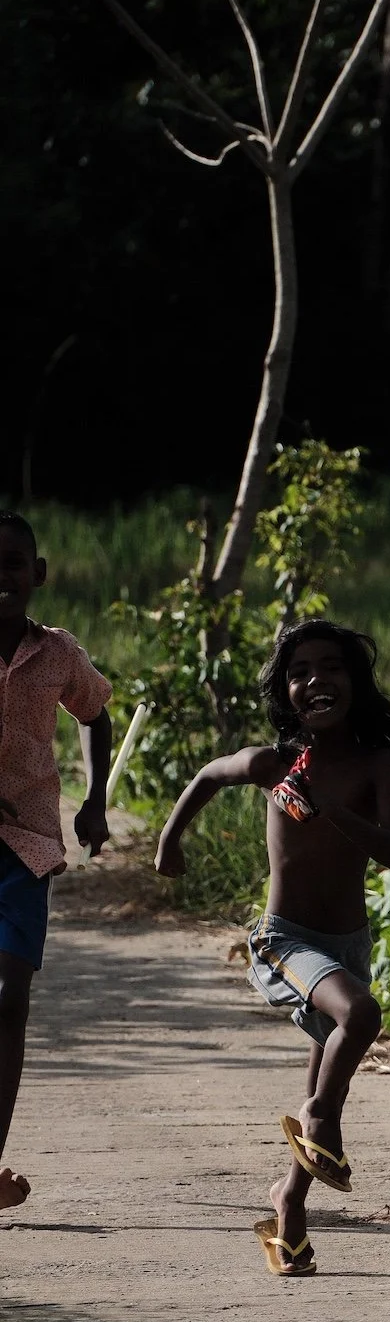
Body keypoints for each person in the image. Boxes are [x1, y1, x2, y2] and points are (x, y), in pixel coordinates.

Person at [155, 620, 390, 1276]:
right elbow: (209, 775)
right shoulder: (276, 765)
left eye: (332, 667)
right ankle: (319, 1116)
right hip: (285, 941)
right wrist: (168, 842)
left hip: (348, 945)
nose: (316, 680)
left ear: (356, 682)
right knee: (360, 1017)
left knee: (334, 1060)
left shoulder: (377, 764)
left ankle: (289, 1207)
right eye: (300, 672)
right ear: (285, 692)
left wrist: (333, 810)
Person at [0, 511, 113, 1212]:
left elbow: (95, 714)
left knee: (10, 1001)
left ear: (37, 574)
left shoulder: (59, 653)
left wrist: (96, 800)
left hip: (26, 848)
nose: (0, 577)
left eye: (12, 563)